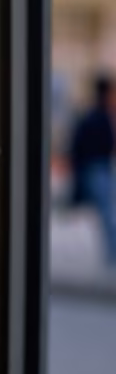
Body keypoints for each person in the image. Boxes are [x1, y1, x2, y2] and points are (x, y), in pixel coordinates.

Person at [69, 74, 116, 265]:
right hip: (97, 168)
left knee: (106, 214)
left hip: (96, 168)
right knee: (106, 214)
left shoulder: (96, 115)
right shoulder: (98, 116)